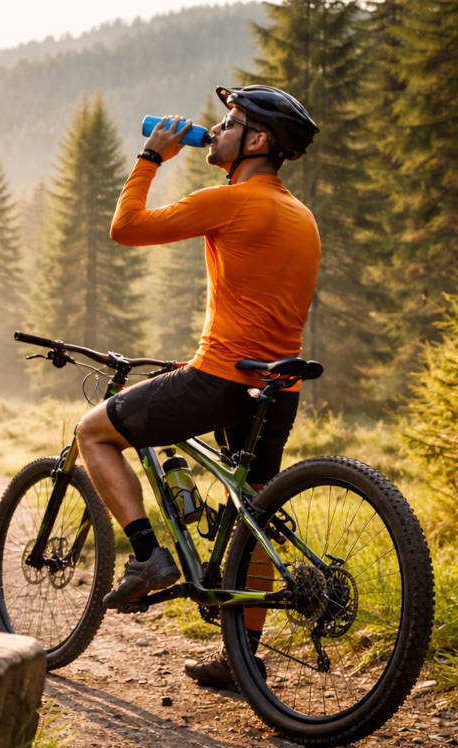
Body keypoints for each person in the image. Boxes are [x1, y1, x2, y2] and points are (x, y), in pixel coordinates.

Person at [73, 85, 321, 688]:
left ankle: (146, 557)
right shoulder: (300, 214)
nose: (217, 127)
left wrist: (152, 156)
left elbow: (126, 227)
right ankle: (244, 659)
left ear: (256, 140)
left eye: (230, 122)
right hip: (277, 386)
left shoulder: (232, 201)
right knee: (255, 514)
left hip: (222, 379)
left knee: (93, 433)